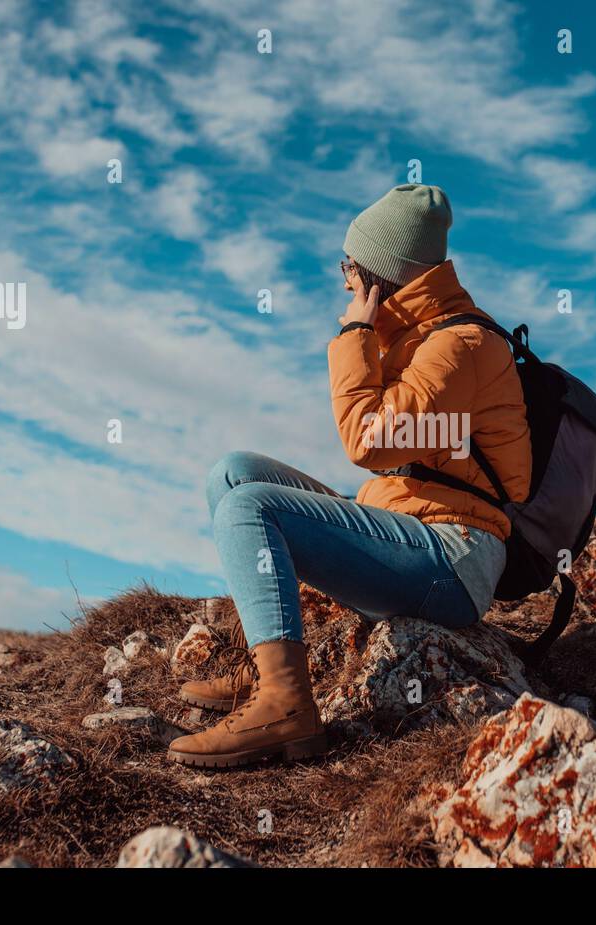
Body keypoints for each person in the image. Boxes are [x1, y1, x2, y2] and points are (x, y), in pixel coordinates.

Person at [168, 184, 530, 768]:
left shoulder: (460, 346)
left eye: (352, 268)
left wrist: (356, 335)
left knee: (250, 507)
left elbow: (370, 442)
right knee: (234, 474)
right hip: (409, 528)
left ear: (382, 276)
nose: (344, 282)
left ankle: (287, 706)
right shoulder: (418, 337)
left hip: (452, 557)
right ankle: (263, 667)